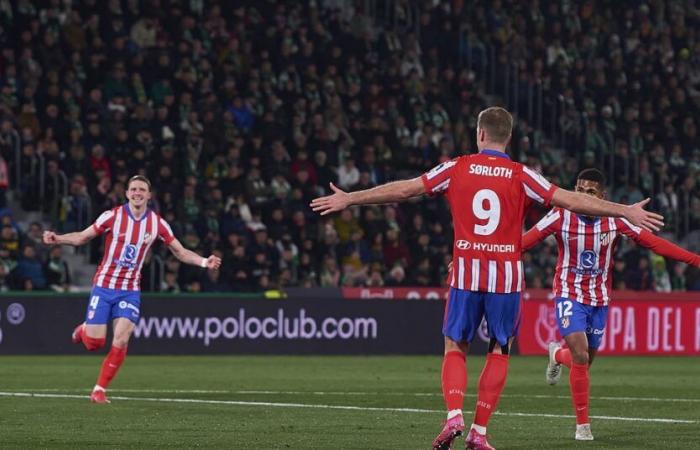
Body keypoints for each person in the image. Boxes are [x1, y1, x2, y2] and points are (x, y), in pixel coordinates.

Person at [310, 107, 664, 450]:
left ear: (480, 134)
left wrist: (350, 198)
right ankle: (479, 430)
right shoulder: (524, 175)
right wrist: (624, 209)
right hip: (506, 278)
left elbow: (405, 190)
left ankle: (453, 416)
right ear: (508, 138)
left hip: (466, 271)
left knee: (455, 347)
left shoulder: (456, 167)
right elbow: (572, 201)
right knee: (499, 350)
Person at [522, 168, 699, 441]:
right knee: (580, 356)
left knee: (584, 361)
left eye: (590, 192)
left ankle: (557, 354)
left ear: (602, 196)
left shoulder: (616, 220)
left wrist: (695, 260)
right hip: (568, 293)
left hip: (599, 299)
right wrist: (479, 256)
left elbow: (654, 244)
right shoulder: (560, 215)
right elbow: (525, 241)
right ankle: (583, 426)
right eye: (579, 191)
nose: (582, 196)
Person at [42, 175, 222, 404]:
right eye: (133, 189)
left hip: (130, 290)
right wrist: (57, 238)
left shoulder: (157, 223)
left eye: (142, 190)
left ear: (149, 195)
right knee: (95, 343)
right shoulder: (113, 216)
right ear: (127, 193)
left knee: (122, 338)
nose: (137, 193)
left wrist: (204, 262)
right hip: (105, 286)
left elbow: (180, 251)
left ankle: (99, 390)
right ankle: (85, 328)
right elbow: (82, 238)